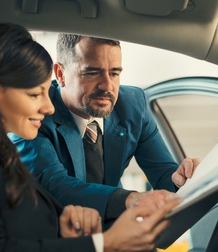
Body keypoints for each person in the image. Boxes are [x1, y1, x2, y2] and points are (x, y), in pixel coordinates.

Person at [0, 23, 181, 252]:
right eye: (35, 94)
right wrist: (103, 244)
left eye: (47, 92)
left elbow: (11, 222)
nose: (48, 107)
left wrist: (63, 224)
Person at [10, 34, 200, 226]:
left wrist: (185, 178)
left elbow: (164, 175)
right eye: (92, 73)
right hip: (54, 233)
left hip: (115, 225)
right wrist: (131, 200)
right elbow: (56, 187)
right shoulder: (34, 113)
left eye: (114, 73)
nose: (107, 86)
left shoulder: (133, 105)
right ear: (60, 74)